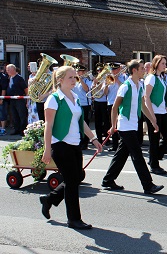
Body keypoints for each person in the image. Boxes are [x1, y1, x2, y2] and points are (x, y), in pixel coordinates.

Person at [40, 65, 102, 230]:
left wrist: (94, 139)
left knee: (76, 177)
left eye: (75, 77)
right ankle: (74, 219)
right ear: (60, 80)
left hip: (75, 144)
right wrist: (47, 149)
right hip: (60, 144)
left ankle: (49, 199)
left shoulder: (75, 96)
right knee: (72, 182)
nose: (74, 80)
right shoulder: (54, 99)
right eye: (70, 77)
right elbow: (49, 125)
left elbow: (80, 121)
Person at [102, 59, 164, 195]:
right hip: (125, 125)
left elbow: (143, 105)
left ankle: (108, 180)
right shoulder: (125, 86)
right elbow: (114, 107)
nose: (144, 70)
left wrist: (153, 121)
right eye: (142, 68)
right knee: (137, 155)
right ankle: (148, 185)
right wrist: (113, 126)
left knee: (121, 155)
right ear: (134, 70)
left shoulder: (140, 85)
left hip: (133, 125)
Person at [144, 55, 167, 174]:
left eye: (165, 63)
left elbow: (164, 98)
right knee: (154, 140)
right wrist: (152, 116)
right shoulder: (151, 78)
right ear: (156, 64)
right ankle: (154, 165)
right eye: (163, 63)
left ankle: (154, 157)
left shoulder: (162, 78)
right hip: (153, 112)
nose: (165, 65)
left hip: (162, 111)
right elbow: (147, 97)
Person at [105, 63, 126, 152]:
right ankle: (114, 145)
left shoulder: (123, 78)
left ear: (118, 70)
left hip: (120, 103)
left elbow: (124, 88)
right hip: (110, 102)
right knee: (112, 124)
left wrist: (116, 79)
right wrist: (106, 84)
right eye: (112, 69)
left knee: (120, 124)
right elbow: (105, 93)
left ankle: (122, 144)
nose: (112, 71)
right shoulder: (108, 79)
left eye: (114, 69)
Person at [72, 63, 93, 150]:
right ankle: (79, 142)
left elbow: (86, 89)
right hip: (76, 104)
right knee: (77, 124)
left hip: (85, 104)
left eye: (80, 71)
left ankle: (85, 143)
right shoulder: (74, 81)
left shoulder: (87, 80)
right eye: (77, 71)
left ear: (83, 72)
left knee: (85, 123)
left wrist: (81, 80)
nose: (78, 73)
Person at [6, 64, 28, 135]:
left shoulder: (19, 78)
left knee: (21, 115)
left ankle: (23, 130)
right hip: (12, 100)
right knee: (14, 115)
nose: (7, 71)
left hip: (19, 99)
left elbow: (25, 89)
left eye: (8, 70)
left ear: (13, 69)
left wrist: (27, 99)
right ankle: (16, 129)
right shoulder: (9, 78)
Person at [91, 64, 109, 144]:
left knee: (106, 121)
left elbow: (105, 92)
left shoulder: (106, 80)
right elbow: (92, 90)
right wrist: (95, 84)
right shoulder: (96, 79)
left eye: (101, 71)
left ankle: (106, 138)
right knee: (97, 120)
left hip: (104, 102)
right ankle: (98, 138)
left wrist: (100, 84)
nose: (99, 72)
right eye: (98, 71)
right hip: (97, 102)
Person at [0, 64, 8, 136]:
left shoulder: (3, 77)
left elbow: (4, 88)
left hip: (1, 98)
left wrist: (2, 98)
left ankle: (3, 128)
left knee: (2, 113)